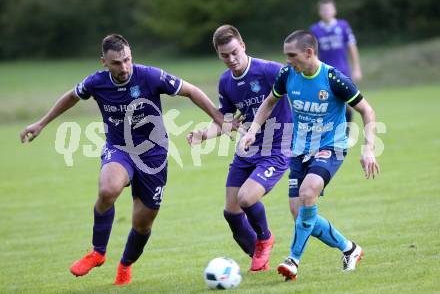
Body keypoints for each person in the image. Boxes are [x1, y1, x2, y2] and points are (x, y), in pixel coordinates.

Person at [20, 34, 232, 285]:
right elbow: (71, 96)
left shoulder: (150, 76)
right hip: (119, 148)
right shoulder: (96, 83)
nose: (124, 67)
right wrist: (42, 123)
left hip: (153, 154)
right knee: (108, 189)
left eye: (127, 60)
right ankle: (98, 252)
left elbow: (191, 91)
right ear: (104, 62)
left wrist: (219, 118)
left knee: (142, 224)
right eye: (117, 63)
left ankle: (125, 265)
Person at [240, 30, 379, 281]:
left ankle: (293, 260)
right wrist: (252, 131)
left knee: (307, 193)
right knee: (302, 216)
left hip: (331, 146)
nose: (288, 61)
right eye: (285, 56)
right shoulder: (287, 75)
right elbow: (269, 102)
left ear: (309, 52)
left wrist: (368, 148)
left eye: (291, 55)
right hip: (299, 150)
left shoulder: (334, 78)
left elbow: (367, 111)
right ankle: (350, 248)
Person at [186, 25, 292, 271]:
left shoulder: (268, 70)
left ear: (243, 45)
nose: (231, 60)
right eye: (225, 55)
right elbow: (224, 121)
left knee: (246, 198)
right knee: (231, 212)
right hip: (247, 150)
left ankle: (265, 238)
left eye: (235, 52)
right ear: (218, 55)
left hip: (277, 148)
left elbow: (301, 84)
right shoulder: (226, 83)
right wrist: (204, 135)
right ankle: (259, 258)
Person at [310, 0, 363, 126]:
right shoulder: (314, 30)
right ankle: (329, 132)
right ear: (319, 12)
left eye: (329, 9)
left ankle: (347, 132)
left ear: (334, 10)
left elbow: (352, 47)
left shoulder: (343, 25)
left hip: (343, 70)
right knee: (324, 103)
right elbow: (312, 53)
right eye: (323, 10)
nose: (326, 12)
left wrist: (356, 68)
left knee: (348, 103)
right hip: (323, 73)